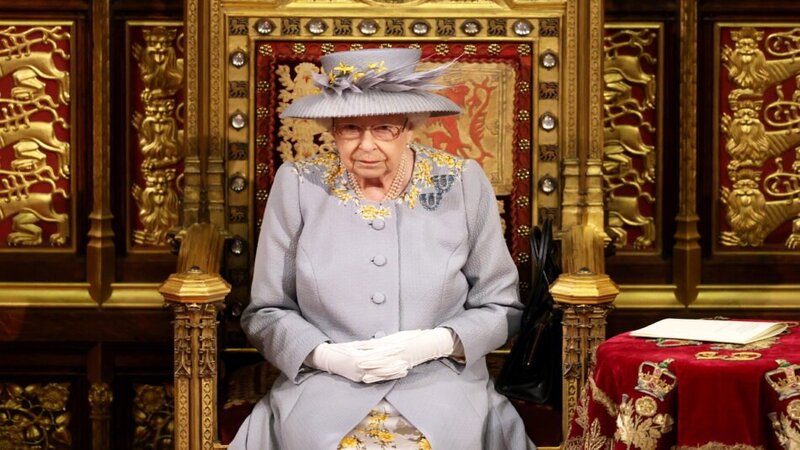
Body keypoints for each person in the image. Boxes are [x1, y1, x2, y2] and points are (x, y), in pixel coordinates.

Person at [230, 47, 536, 450]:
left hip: (442, 384)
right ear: (332, 128)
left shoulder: (461, 181)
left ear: (411, 127)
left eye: (384, 129)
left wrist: (437, 343)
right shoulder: (299, 184)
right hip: (324, 388)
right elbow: (266, 313)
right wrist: (326, 357)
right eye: (350, 128)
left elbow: (501, 308)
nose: (366, 145)